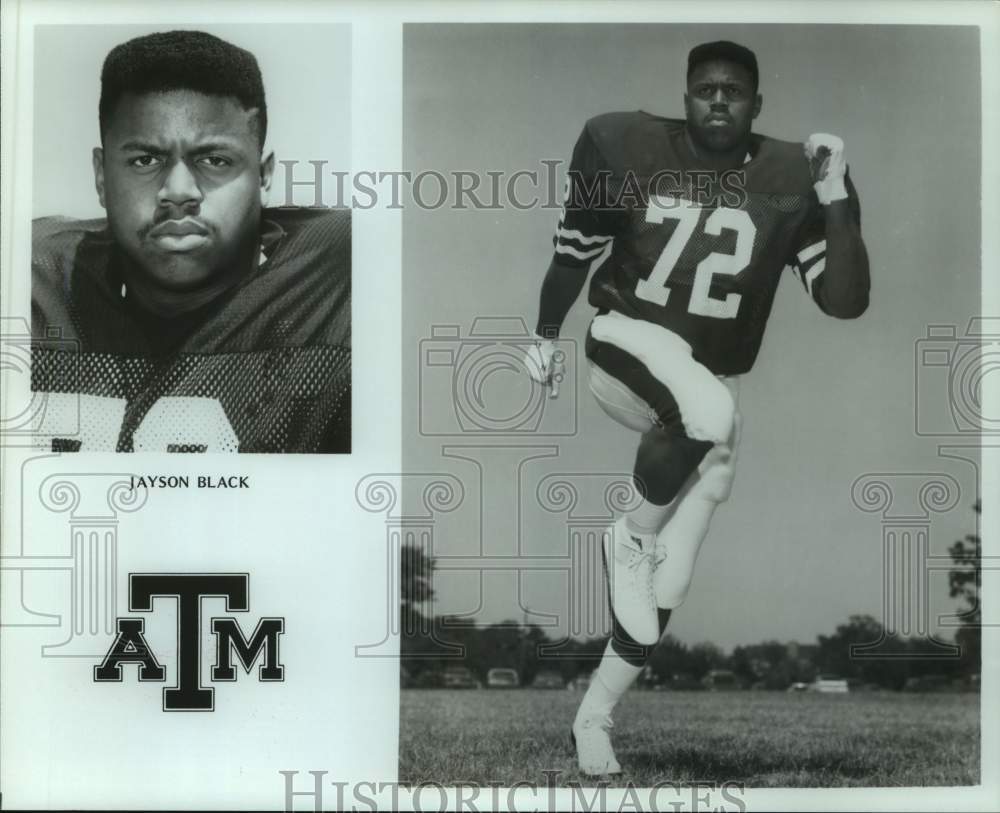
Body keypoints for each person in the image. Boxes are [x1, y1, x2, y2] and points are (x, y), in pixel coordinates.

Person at [524, 40, 870, 775]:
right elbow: (572, 257)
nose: (718, 100)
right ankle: (629, 535)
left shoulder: (792, 175)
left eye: (733, 91)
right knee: (706, 414)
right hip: (623, 342)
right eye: (706, 89)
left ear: (757, 104)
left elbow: (845, 302)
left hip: (710, 379)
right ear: (686, 97)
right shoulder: (628, 146)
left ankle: (593, 718)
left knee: (668, 583)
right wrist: (546, 334)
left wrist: (837, 195)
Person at [31, 30, 350, 453]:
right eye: (145, 160)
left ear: (264, 177)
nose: (179, 191)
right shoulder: (30, 278)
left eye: (215, 160)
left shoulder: (343, 273)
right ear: (102, 176)